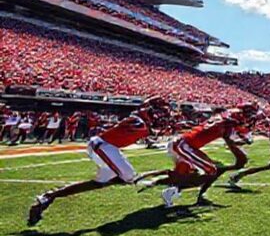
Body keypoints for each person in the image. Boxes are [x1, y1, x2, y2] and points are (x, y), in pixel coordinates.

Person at [27, 97, 170, 226]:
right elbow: (136, 127)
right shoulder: (137, 121)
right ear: (148, 110)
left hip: (106, 147)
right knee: (129, 177)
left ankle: (48, 197)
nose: (160, 117)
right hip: (104, 146)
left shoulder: (140, 120)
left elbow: (144, 129)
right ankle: (158, 174)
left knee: (100, 183)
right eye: (158, 113)